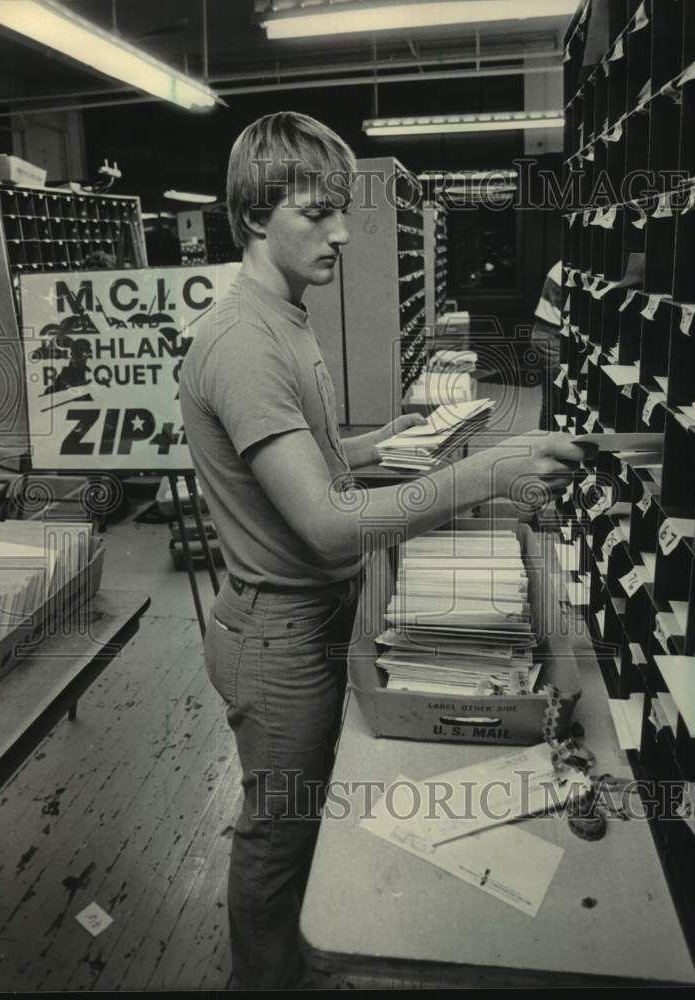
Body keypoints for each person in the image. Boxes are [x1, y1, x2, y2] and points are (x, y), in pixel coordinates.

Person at [178, 112, 584, 990]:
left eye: (342, 212)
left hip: (313, 616)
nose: (339, 233)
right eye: (314, 213)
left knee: (311, 809)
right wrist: (487, 470)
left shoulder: (283, 316)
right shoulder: (244, 342)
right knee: (278, 833)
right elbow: (325, 523)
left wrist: (373, 443)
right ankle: (264, 982)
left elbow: (301, 464)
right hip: (276, 637)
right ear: (253, 214)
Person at [531, 259, 563, 431]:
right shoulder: (567, 268)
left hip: (544, 335)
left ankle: (544, 446)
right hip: (550, 337)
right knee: (559, 401)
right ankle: (550, 447)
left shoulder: (562, 265)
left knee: (550, 402)